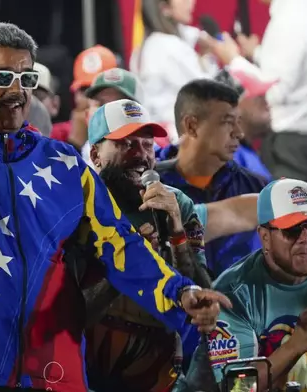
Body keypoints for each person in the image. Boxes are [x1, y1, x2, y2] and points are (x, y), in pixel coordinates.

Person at [0, 14, 230, 392]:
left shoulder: (64, 163)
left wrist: (179, 293)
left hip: (51, 374)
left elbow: (121, 245)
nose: (17, 89)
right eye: (3, 77)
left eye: (26, 77)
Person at [83, 99, 211, 392]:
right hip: (87, 368)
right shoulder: (78, 206)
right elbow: (72, 310)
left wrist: (177, 231)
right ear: (95, 154)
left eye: (147, 145)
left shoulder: (178, 204)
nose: (140, 155)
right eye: (126, 144)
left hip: (160, 370)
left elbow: (202, 293)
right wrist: (132, 260)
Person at [208, 178, 307, 391]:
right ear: (265, 237)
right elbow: (236, 387)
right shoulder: (232, 294)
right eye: (292, 230)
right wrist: (297, 343)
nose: (306, 239)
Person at [205, 0, 307, 185]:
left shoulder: (291, 15)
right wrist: (257, 53)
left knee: (285, 211)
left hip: (293, 145)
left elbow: (273, 92)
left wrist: (233, 59)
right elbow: (304, 65)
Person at [158, 79, 268, 277]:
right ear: (191, 126)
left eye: (238, 122)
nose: (239, 133)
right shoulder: (150, 185)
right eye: (227, 122)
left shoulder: (257, 186)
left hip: (241, 307)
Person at [130, 0, 219, 142]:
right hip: (175, 140)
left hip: (153, 138)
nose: (191, 2)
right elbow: (211, 92)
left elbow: (191, 34)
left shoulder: (142, 49)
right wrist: (210, 58)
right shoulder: (169, 46)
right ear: (164, 8)